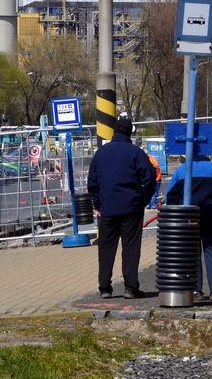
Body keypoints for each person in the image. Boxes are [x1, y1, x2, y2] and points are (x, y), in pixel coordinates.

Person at [86, 115, 156, 299]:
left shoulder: (101, 153)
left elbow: (92, 182)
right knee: (131, 247)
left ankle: (105, 288)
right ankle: (131, 288)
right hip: (131, 207)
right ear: (130, 133)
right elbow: (150, 178)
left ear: (114, 131)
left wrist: (98, 204)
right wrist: (144, 199)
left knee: (106, 248)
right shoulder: (135, 152)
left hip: (107, 208)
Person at [164, 154, 212, 301]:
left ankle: (197, 290)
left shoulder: (182, 169)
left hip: (188, 217)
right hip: (211, 214)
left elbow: (170, 194)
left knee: (193, 254)